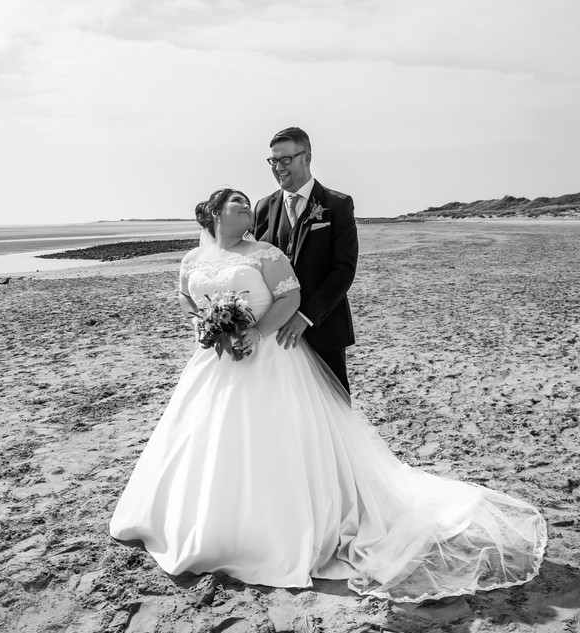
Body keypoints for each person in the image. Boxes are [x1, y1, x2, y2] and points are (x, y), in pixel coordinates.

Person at [109, 187, 547, 602]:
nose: (247, 208)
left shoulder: (266, 253)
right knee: (203, 440)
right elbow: (187, 299)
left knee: (276, 441)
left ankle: (275, 531)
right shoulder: (192, 258)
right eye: (237, 203)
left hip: (269, 360)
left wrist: (256, 335)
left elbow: (291, 297)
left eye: (247, 203)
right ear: (214, 213)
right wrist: (207, 329)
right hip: (214, 364)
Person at [254, 127, 357, 393]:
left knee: (335, 407)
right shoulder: (263, 207)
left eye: (285, 160)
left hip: (323, 327)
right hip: (276, 333)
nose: (278, 167)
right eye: (273, 161)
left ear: (307, 158)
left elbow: (343, 269)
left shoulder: (337, 204)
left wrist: (305, 315)